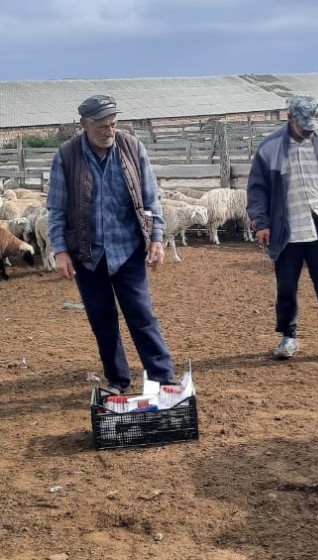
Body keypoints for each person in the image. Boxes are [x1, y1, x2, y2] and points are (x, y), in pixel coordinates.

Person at [47, 94, 175, 394]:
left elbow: (151, 198)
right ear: (84, 124)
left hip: (127, 249)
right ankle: (118, 380)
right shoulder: (66, 156)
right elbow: (55, 207)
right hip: (87, 253)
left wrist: (156, 239)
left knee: (142, 315)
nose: (109, 132)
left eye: (113, 125)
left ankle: (162, 378)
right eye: (102, 126)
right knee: (102, 320)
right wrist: (60, 250)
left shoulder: (132, 148)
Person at [246, 95, 318, 365]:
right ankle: (288, 336)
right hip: (286, 224)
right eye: (304, 124)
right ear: (290, 117)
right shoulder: (270, 146)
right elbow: (257, 189)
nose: (309, 129)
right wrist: (262, 222)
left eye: (313, 124)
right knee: (286, 285)